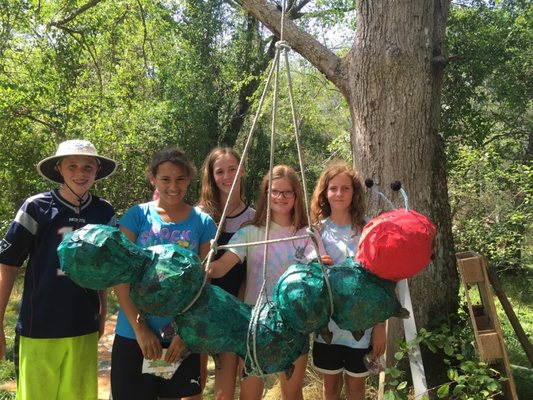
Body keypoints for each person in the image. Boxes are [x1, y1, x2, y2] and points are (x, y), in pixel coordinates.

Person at [0, 139, 118, 400]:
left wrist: (103, 309)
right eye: (72, 166)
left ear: (97, 170)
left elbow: (104, 266)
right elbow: (7, 263)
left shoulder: (104, 211)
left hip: (83, 325)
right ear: (59, 170)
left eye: (87, 167)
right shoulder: (36, 207)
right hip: (39, 326)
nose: (80, 173)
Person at [209, 164, 325, 400]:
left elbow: (319, 268)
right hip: (256, 324)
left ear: (296, 196)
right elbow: (221, 268)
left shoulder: (306, 233)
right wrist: (208, 262)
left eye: (286, 192)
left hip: (295, 324)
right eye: (274, 191)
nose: (280, 197)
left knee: (292, 393)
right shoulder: (251, 232)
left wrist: (324, 264)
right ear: (266, 194)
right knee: (251, 393)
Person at [111, 147, 216, 400]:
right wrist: (140, 329)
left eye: (180, 179)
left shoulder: (203, 223)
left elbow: (203, 284)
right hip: (134, 334)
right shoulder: (136, 216)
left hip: (179, 337)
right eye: (165, 179)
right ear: (152, 178)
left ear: (189, 179)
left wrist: (185, 333)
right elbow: (120, 275)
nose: (173, 186)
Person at [310, 162, 386, 400]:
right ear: (325, 193)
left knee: (356, 389)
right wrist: (314, 266)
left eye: (345, 188)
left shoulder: (369, 228)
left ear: (354, 193)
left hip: (362, 327)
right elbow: (307, 280)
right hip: (328, 326)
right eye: (333, 188)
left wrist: (380, 327)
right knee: (330, 388)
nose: (339, 193)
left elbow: (380, 281)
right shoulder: (316, 231)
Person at [197, 147, 256, 400]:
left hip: (233, 310)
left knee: (225, 390)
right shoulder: (199, 216)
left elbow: (252, 271)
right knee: (193, 386)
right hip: (199, 309)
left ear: (242, 170)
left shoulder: (253, 219)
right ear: (211, 176)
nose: (227, 176)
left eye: (233, 169)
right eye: (220, 171)